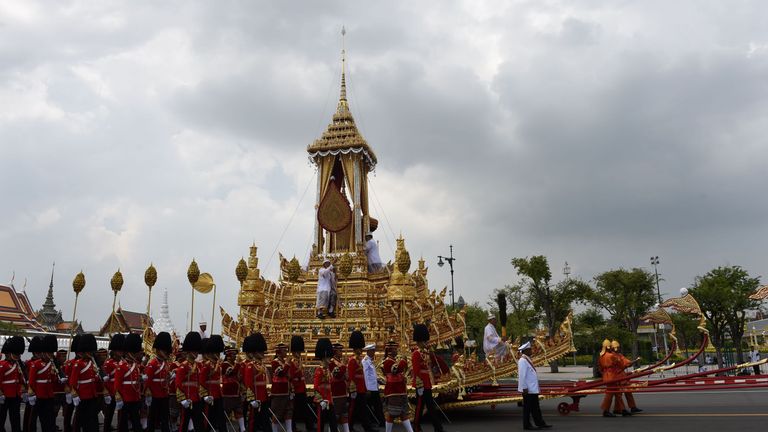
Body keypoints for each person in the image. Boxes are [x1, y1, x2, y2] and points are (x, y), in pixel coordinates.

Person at [411, 324, 444, 432]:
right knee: (420, 407)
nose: (426, 342)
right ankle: (416, 426)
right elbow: (416, 370)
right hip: (421, 384)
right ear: (420, 341)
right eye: (424, 341)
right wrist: (420, 385)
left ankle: (438, 428)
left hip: (427, 383)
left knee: (430, 407)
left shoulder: (425, 353)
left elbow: (430, 366)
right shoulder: (416, 353)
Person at [69, 334, 101, 432]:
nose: (91, 353)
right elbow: (73, 381)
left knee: (92, 419)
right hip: (82, 396)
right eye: (89, 351)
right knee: (81, 419)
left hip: (92, 395)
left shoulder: (92, 363)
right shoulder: (78, 364)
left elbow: (93, 379)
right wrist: (74, 395)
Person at [28, 334, 59, 432]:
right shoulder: (36, 364)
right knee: (32, 419)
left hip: (49, 396)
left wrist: (55, 374)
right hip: (38, 395)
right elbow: (32, 381)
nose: (51, 354)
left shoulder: (52, 364)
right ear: (44, 352)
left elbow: (52, 381)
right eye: (49, 352)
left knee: (48, 420)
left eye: (52, 352)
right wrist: (31, 393)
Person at [517, 341, 551, 430]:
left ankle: (540, 423)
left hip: (532, 389)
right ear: (526, 350)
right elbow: (522, 375)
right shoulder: (522, 361)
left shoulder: (527, 359)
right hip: (528, 389)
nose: (531, 351)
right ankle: (527, 425)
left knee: (536, 408)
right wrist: (524, 388)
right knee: (527, 408)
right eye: (530, 349)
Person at [381, 341, 414, 432]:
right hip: (393, 391)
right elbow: (395, 370)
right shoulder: (387, 361)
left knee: (403, 413)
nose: (397, 351)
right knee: (392, 413)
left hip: (399, 391)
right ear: (390, 350)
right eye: (395, 349)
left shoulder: (393, 360)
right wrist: (403, 361)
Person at [175, 332, 204, 432]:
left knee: (199, 424)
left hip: (196, 399)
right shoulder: (183, 366)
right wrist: (182, 399)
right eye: (194, 351)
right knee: (184, 424)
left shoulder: (198, 366)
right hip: (187, 400)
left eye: (197, 351)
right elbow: (178, 384)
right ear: (189, 351)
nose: (196, 353)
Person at [115, 333, 144, 432]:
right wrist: (119, 399)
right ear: (129, 352)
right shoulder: (122, 365)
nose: (137, 354)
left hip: (135, 398)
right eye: (135, 352)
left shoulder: (134, 364)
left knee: (136, 423)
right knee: (123, 424)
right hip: (125, 399)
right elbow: (117, 385)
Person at [348, 332, 376, 432]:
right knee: (353, 409)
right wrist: (353, 389)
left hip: (361, 388)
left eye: (361, 348)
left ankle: (365, 426)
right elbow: (351, 376)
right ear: (355, 348)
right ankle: (350, 427)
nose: (361, 350)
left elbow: (362, 375)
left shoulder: (359, 359)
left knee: (361, 409)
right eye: (359, 348)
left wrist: (365, 387)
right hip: (356, 388)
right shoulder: (352, 360)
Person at [145, 332, 172, 432]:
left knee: (165, 418)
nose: (166, 352)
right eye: (163, 350)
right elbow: (148, 380)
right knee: (152, 419)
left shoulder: (165, 363)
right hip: (154, 394)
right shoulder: (152, 363)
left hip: (164, 394)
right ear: (158, 350)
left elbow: (165, 378)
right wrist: (148, 393)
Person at [243, 333, 270, 432]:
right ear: (255, 352)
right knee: (252, 422)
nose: (263, 353)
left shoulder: (261, 366)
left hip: (263, 397)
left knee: (266, 421)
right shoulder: (250, 366)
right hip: (255, 398)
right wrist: (251, 399)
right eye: (261, 351)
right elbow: (248, 383)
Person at [0, 336, 26, 432]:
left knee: (15, 418)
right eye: (16, 354)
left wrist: (23, 389)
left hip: (15, 395)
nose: (18, 356)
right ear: (9, 353)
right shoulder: (2, 365)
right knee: (1, 417)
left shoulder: (18, 364)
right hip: (4, 395)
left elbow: (20, 379)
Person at [288, 336, 313, 432]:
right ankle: (294, 427)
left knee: (305, 408)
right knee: (293, 410)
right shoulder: (292, 362)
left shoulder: (298, 361)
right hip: (295, 388)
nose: (299, 354)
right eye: (297, 352)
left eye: (299, 352)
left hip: (301, 388)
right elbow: (291, 375)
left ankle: (309, 426)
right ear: (294, 352)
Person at [598, 339, 628, 417]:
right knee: (610, 394)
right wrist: (625, 366)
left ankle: (622, 409)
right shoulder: (611, 355)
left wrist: (604, 374)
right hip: (613, 376)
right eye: (610, 346)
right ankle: (606, 410)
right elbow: (620, 364)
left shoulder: (601, 356)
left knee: (617, 393)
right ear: (608, 347)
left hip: (606, 376)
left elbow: (600, 368)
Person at [610, 341, 641, 414]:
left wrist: (633, 361)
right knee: (618, 394)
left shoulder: (619, 355)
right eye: (615, 347)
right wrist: (632, 362)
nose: (617, 349)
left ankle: (632, 407)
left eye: (618, 347)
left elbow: (626, 362)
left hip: (622, 376)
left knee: (628, 391)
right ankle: (620, 409)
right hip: (615, 376)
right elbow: (623, 365)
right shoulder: (611, 356)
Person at [313, 338, 337, 432]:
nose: (330, 360)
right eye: (329, 358)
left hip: (329, 400)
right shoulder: (319, 370)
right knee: (321, 423)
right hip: (322, 400)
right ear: (324, 356)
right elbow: (316, 387)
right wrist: (321, 400)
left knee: (333, 422)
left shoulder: (327, 369)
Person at [102, 334, 124, 432]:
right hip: (111, 392)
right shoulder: (108, 363)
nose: (121, 352)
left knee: (122, 414)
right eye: (119, 350)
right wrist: (106, 392)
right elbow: (105, 380)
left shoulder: (123, 362)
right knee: (109, 413)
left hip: (121, 392)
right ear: (114, 351)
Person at [222, 347, 246, 432]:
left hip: (237, 392)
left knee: (239, 411)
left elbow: (239, 375)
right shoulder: (225, 364)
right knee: (226, 412)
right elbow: (231, 372)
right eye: (233, 354)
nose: (235, 356)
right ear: (228, 355)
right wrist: (238, 364)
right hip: (228, 393)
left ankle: (243, 429)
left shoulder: (235, 364)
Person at [270, 343, 292, 432]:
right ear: (279, 352)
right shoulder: (275, 362)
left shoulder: (284, 362)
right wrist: (287, 364)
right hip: (278, 392)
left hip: (287, 390)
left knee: (289, 412)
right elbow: (281, 373)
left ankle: (289, 430)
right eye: (284, 350)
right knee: (277, 413)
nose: (286, 352)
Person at [362, 343, 384, 428]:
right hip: (370, 388)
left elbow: (372, 375)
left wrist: (378, 381)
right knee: (374, 406)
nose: (374, 352)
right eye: (372, 351)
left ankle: (379, 421)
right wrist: (367, 388)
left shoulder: (370, 361)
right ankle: (377, 421)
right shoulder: (365, 361)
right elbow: (366, 375)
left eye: (374, 351)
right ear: (368, 351)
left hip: (374, 387)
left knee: (376, 405)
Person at [329, 344, 350, 432]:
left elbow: (346, 376)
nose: (341, 352)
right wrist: (344, 366)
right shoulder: (331, 362)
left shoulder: (340, 362)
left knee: (344, 413)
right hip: (336, 390)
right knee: (336, 414)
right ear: (335, 352)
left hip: (343, 390)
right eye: (339, 351)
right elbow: (337, 375)